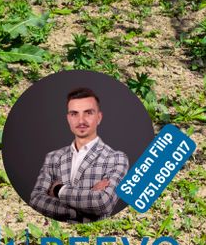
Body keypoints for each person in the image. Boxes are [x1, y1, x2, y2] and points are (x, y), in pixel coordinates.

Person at [27, 87, 129, 221]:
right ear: (68, 118)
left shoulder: (116, 159)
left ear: (99, 117)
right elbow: (36, 200)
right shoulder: (53, 157)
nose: (81, 120)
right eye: (74, 114)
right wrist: (79, 212)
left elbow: (103, 203)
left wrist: (58, 190)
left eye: (88, 113)